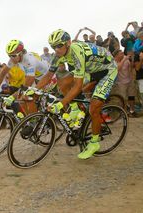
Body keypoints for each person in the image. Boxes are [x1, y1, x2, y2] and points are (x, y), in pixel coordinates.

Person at [28, 29, 118, 159]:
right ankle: (75, 109)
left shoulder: (76, 52)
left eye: (59, 45)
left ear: (68, 43)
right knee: (63, 83)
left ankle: (94, 143)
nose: (57, 49)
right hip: (90, 69)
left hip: (108, 70)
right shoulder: (57, 55)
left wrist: (60, 104)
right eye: (53, 46)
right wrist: (34, 88)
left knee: (94, 108)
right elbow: (49, 75)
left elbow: (77, 86)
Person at [0, 40, 49, 113]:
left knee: (27, 98)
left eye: (13, 56)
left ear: (20, 53)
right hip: (37, 78)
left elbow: (26, 85)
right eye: (9, 55)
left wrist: (12, 97)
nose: (11, 58)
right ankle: (33, 118)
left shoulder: (29, 61)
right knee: (23, 101)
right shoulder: (13, 59)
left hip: (48, 77)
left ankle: (36, 120)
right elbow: (3, 73)